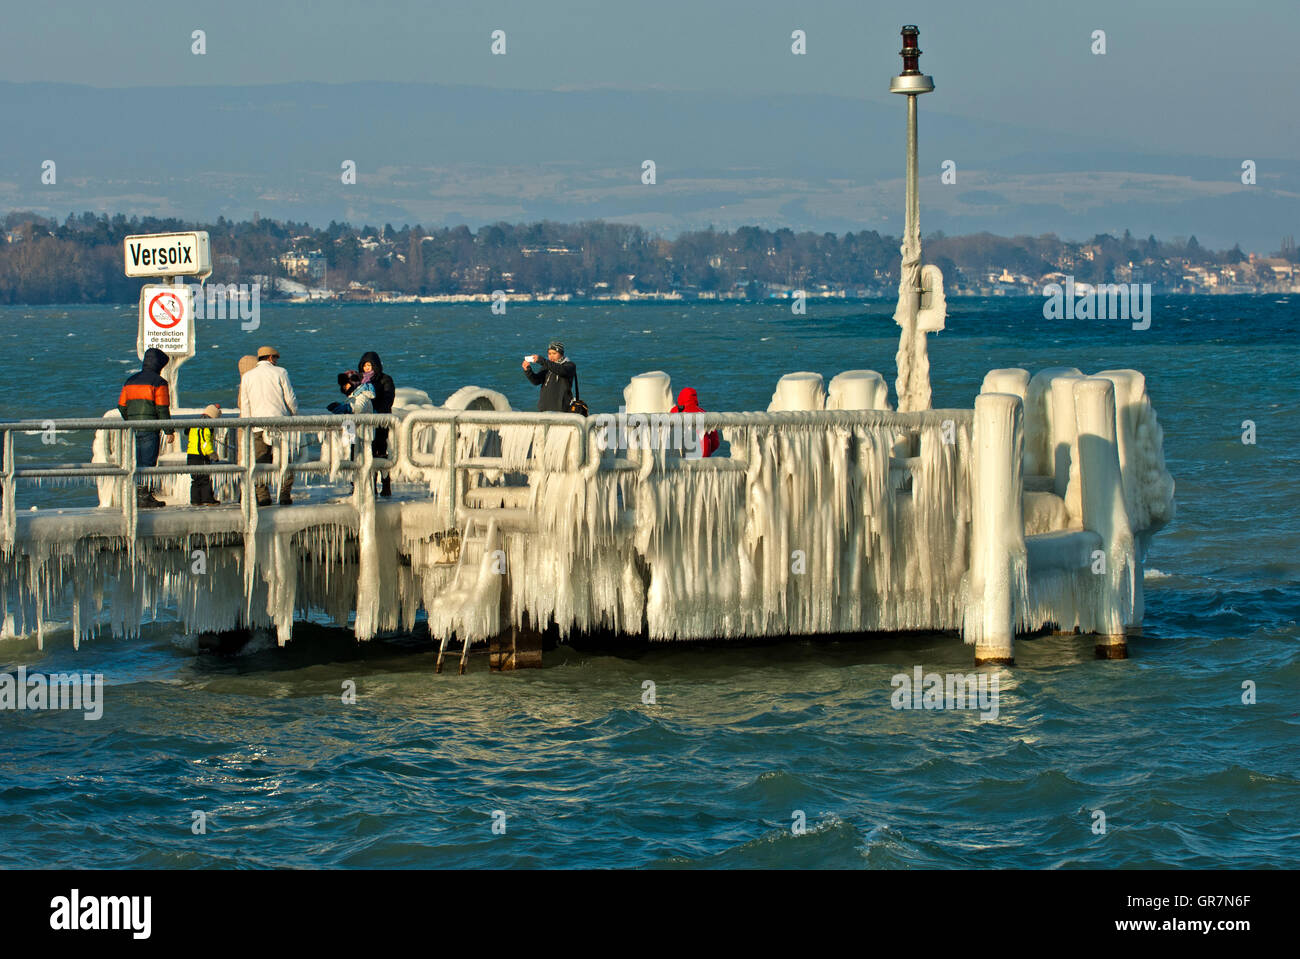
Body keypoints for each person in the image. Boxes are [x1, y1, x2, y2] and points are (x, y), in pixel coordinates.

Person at [239, 345, 298, 506]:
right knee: (286, 461)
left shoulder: (248, 376)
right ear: (271, 358)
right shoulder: (281, 372)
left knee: (260, 462)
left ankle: (263, 495)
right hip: (280, 424)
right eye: (276, 358)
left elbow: (245, 404)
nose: (277, 361)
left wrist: (247, 423)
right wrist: (295, 414)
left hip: (257, 425)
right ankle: (284, 494)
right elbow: (290, 398)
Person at [118, 347, 175, 508]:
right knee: (149, 463)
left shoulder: (130, 381)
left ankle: (137, 494)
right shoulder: (159, 383)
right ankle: (144, 496)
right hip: (151, 428)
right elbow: (162, 408)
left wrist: (131, 421)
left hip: (134, 428)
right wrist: (169, 431)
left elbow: (121, 406)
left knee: (138, 463)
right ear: (159, 365)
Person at [358, 351, 395, 497]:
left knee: (381, 453)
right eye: (365, 365)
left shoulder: (385, 379)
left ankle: (386, 486)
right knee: (368, 454)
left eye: (370, 365)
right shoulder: (360, 381)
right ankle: (371, 486)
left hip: (380, 422)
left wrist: (378, 411)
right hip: (365, 424)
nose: (367, 368)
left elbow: (388, 397)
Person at [522, 340, 576, 412]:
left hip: (561, 409)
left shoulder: (569, 365)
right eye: (549, 353)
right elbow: (536, 381)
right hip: (544, 408)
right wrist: (528, 370)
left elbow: (562, 371)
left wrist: (542, 361)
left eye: (554, 353)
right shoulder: (547, 366)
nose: (551, 356)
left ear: (561, 353)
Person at [187, 404, 222, 506]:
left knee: (196, 479)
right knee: (205, 479)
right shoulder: (206, 426)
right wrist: (211, 453)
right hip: (201, 456)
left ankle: (195, 500)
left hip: (191, 455)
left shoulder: (195, 424)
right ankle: (207, 499)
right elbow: (205, 442)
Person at [670, 387, 721, 458]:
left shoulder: (676, 411)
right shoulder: (704, 413)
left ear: (680, 398)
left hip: (684, 456)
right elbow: (715, 443)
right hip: (704, 456)